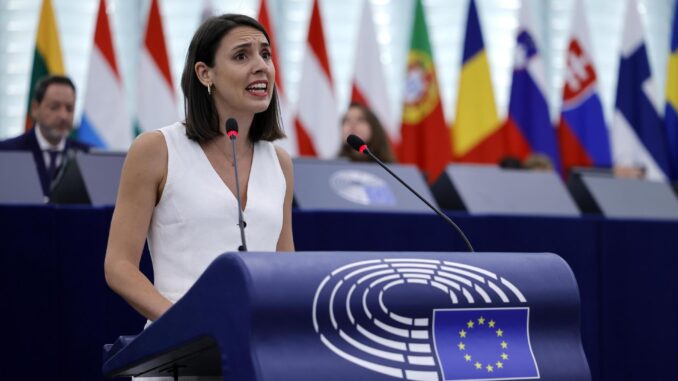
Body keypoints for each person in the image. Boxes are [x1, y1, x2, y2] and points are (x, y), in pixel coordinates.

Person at [104, 14, 295, 326]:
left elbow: (286, 267)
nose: (261, 65)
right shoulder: (155, 150)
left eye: (266, 54)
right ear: (205, 73)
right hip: (181, 351)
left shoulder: (280, 163)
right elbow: (119, 265)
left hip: (256, 347)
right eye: (241, 55)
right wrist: (185, 325)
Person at [0, 75, 90, 196]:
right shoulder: (6, 152)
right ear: (35, 108)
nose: (63, 116)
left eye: (69, 109)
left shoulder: (88, 156)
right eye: (54, 107)